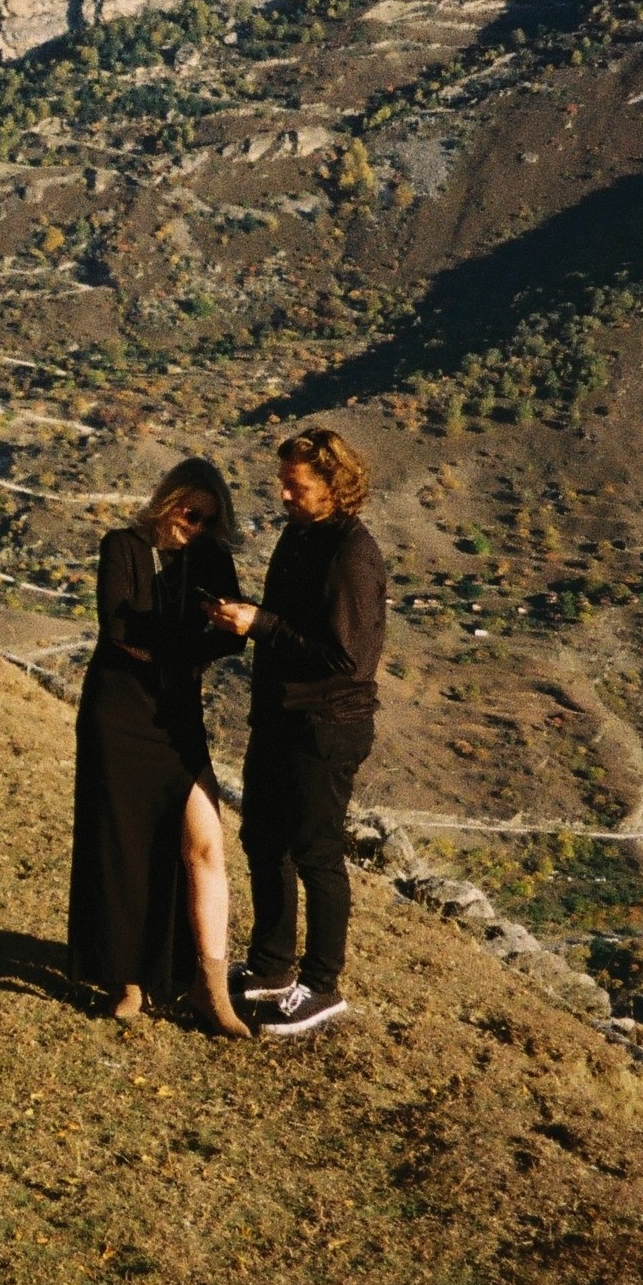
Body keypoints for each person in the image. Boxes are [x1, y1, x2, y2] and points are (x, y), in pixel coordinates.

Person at [208, 426, 388, 1040]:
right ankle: (271, 965)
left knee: (317, 854)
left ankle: (322, 986)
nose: (283, 494)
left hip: (326, 727)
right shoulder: (301, 536)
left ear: (335, 487)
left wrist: (262, 625)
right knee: (264, 840)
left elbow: (347, 661)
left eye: (297, 484)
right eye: (282, 481)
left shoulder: (352, 555)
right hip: (282, 718)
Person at [67, 459, 250, 1035]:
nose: (194, 527)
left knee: (205, 841)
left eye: (207, 521)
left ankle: (210, 984)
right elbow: (117, 632)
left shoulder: (211, 558)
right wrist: (191, 639)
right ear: (166, 499)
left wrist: (192, 639)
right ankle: (127, 979)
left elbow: (230, 640)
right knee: (122, 843)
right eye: (189, 513)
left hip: (175, 717)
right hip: (118, 715)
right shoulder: (121, 546)